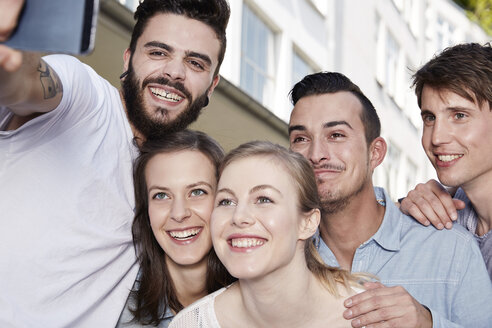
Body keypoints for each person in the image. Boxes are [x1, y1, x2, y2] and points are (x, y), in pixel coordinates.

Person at [0, 0, 230, 326]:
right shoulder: (84, 97)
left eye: (195, 63)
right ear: (128, 59)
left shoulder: (173, 176)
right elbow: (25, 83)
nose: (174, 73)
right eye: (158, 53)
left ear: (211, 85)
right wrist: (11, 58)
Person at [288, 71, 492, 328]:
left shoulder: (453, 250)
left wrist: (429, 323)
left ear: (376, 153)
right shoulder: (280, 252)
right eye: (301, 139)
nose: (316, 154)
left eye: (336, 135)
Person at [170, 141, 369, 327]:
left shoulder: (373, 316)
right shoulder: (191, 323)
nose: (239, 217)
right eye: (226, 201)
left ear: (308, 223)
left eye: (263, 199)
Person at [117, 130, 234, 327]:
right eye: (161, 195)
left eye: (197, 192)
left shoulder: (258, 302)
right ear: (147, 212)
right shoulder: (115, 306)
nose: (179, 214)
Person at [397, 43, 492, 280]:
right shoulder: (447, 209)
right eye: (430, 118)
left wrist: (427, 319)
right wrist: (405, 213)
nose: (436, 138)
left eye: (459, 116)